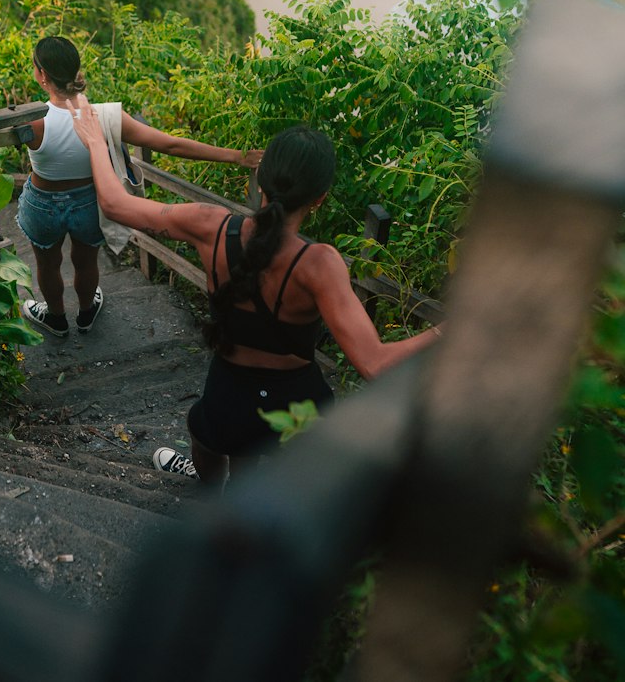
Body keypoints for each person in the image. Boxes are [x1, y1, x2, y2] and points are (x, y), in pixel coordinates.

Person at [70, 102, 442, 486]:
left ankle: (214, 497)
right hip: (295, 402)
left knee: (211, 439)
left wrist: (97, 142)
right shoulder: (318, 264)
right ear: (320, 198)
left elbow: (115, 204)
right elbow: (375, 364)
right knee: (287, 483)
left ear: (260, 180)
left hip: (230, 387)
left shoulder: (210, 225)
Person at [17, 36, 262, 337]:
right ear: (76, 69)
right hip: (87, 203)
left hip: (43, 203)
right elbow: (171, 145)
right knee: (85, 260)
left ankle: (55, 318)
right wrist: (238, 157)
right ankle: (85, 313)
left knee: (47, 263)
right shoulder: (106, 117)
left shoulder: (31, 123)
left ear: (41, 74)